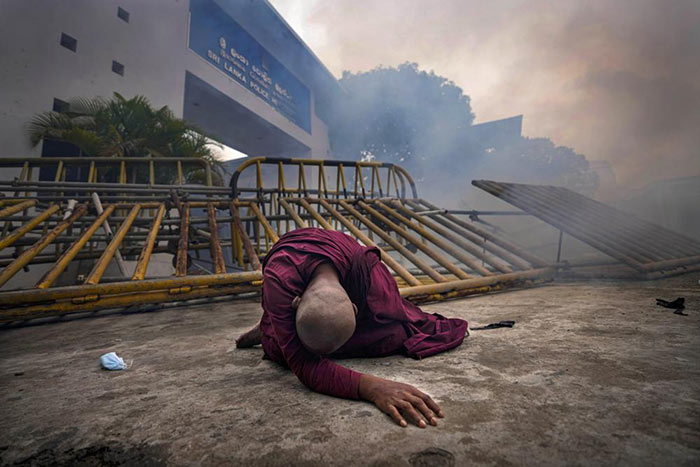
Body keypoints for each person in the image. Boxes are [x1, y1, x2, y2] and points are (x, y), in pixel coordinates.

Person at [236, 227, 468, 428]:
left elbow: (398, 310)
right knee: (285, 355)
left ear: (356, 309)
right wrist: (371, 387)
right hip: (290, 301)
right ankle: (274, 323)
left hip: (320, 305)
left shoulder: (370, 273)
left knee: (397, 333)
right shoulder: (279, 279)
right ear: (295, 302)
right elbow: (304, 365)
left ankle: (276, 326)